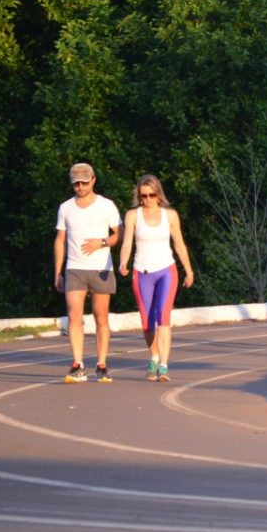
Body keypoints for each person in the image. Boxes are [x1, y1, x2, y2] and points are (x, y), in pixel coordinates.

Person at [118, 174, 195, 382]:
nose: (148, 199)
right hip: (142, 272)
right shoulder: (133, 215)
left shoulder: (169, 215)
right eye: (144, 196)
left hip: (166, 271)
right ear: (139, 196)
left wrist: (189, 270)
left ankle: (163, 365)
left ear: (159, 194)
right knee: (146, 322)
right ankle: (154, 356)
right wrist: (123, 262)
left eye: (152, 195)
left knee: (163, 316)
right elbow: (127, 243)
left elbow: (179, 244)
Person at [54, 163, 122, 383]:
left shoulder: (107, 206)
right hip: (74, 268)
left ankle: (101, 365)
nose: (80, 187)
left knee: (101, 316)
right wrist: (58, 272)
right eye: (76, 184)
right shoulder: (66, 208)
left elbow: (118, 235)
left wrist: (101, 243)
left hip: (101, 268)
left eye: (84, 182)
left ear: (93, 180)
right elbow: (60, 240)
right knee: (74, 315)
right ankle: (77, 365)